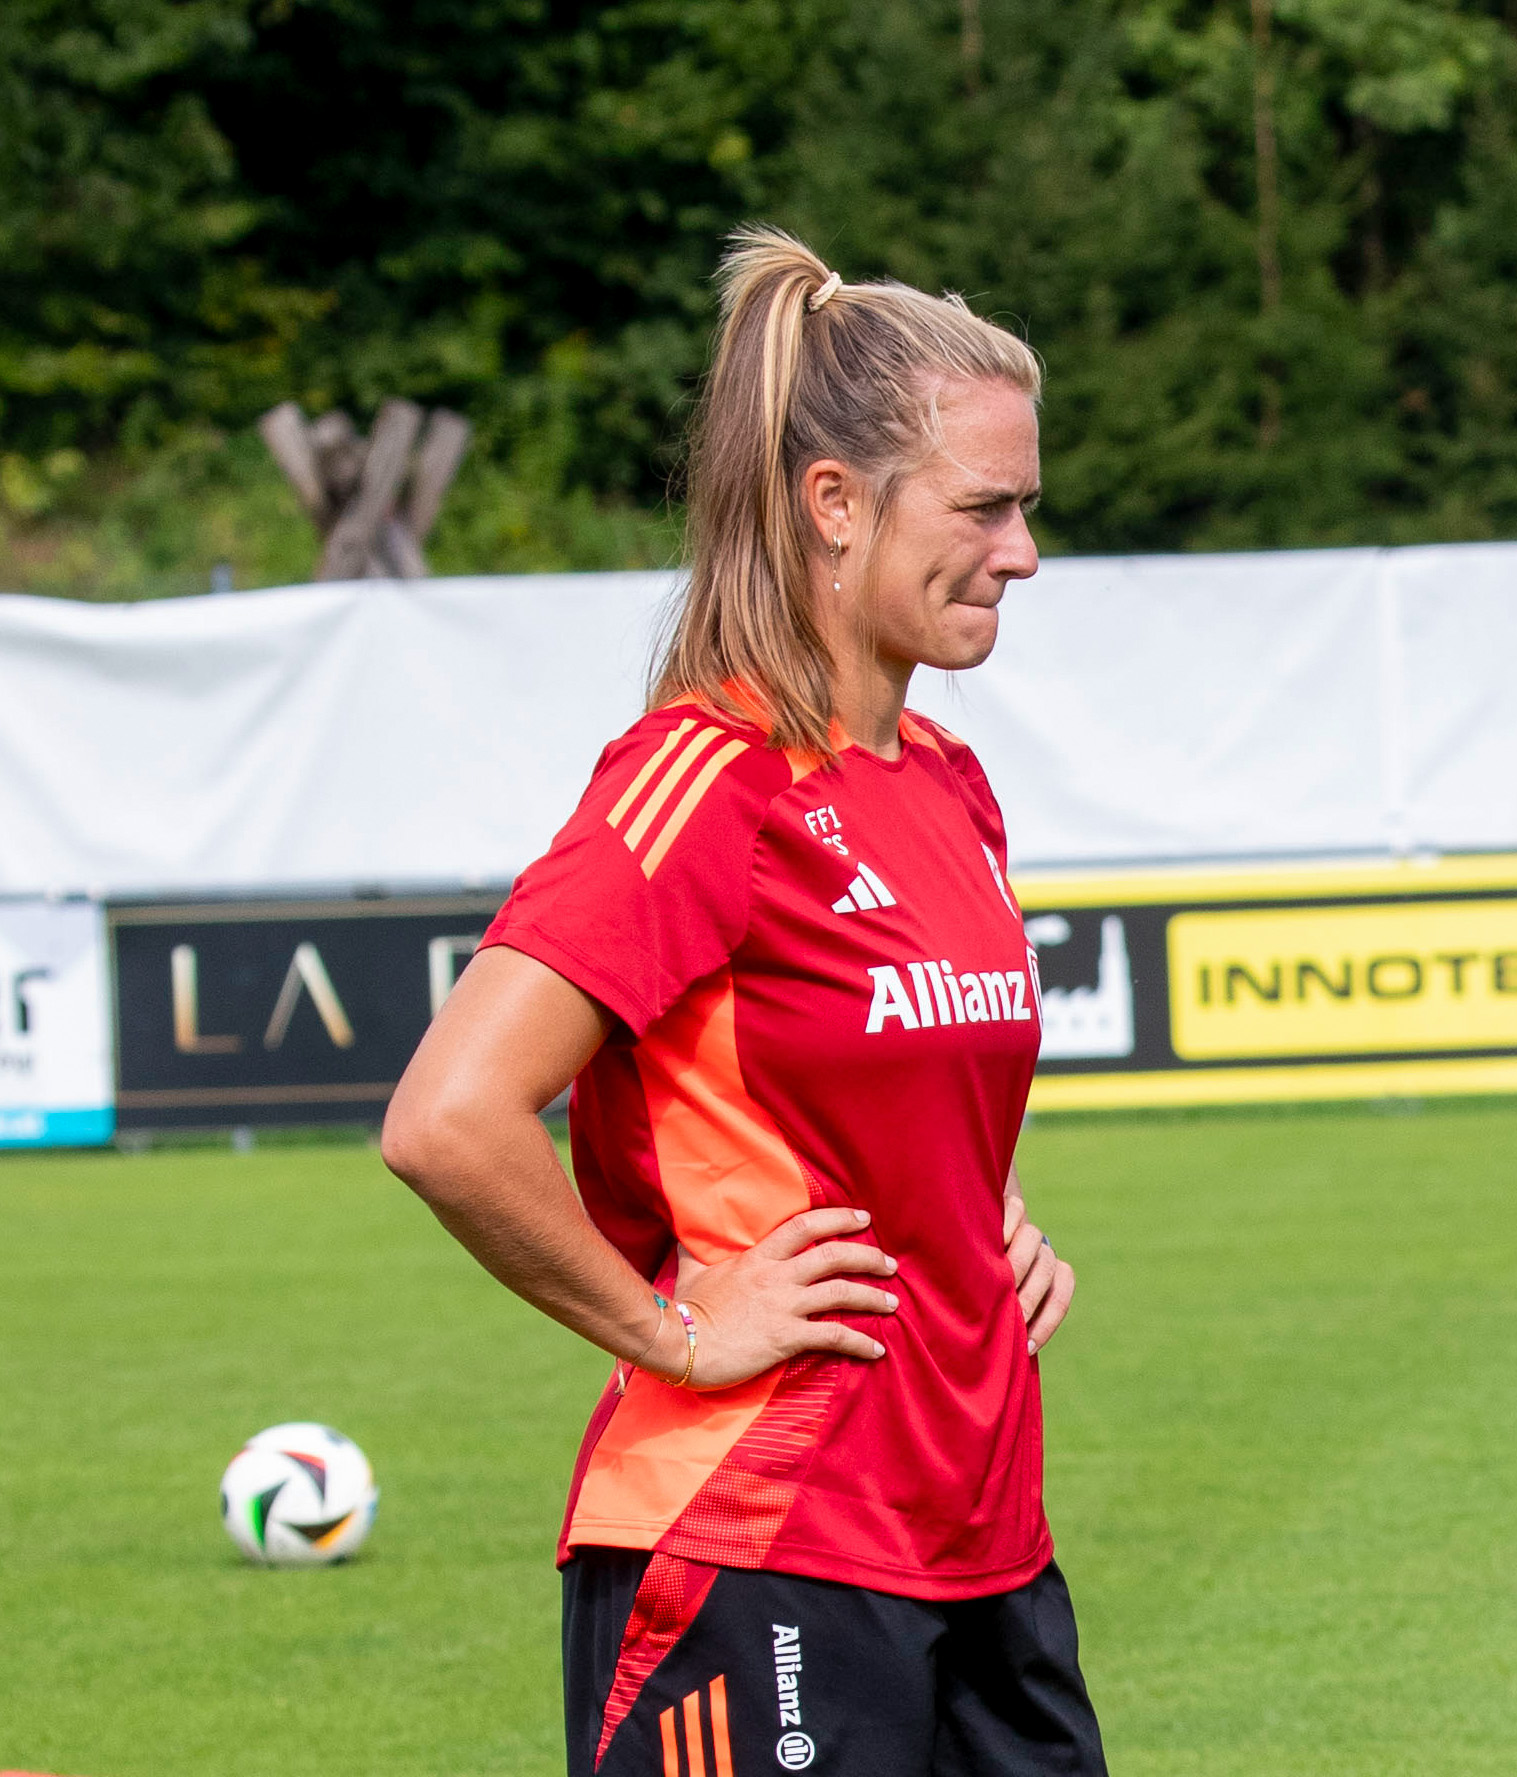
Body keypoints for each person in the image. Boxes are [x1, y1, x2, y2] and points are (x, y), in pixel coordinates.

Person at [383, 226, 1103, 1777]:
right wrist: (671, 1328)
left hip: (981, 1534)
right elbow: (450, 1118)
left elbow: (882, 1087)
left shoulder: (951, 786)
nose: (1024, 550)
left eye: (1027, 505)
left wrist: (988, 1217)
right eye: (985, 506)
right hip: (761, 1533)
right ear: (832, 505)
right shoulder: (703, 780)